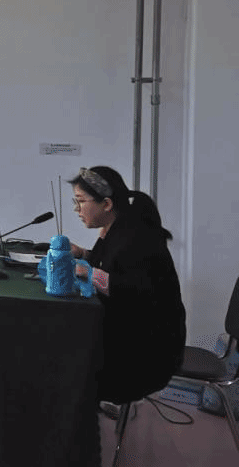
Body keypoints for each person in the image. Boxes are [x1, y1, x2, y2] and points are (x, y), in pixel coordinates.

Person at [68, 165, 186, 405]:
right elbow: (112, 265)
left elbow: (132, 289)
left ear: (106, 204)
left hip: (146, 354)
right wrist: (83, 254)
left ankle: (78, 421)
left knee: (67, 360)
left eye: (81, 201)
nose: (76, 209)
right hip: (129, 338)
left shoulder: (136, 236)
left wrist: (89, 273)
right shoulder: (117, 228)